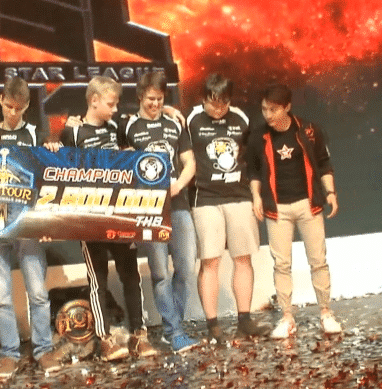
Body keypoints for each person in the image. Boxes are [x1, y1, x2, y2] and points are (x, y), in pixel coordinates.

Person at [60, 75, 159, 361]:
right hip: (90, 216)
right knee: (98, 281)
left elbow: (134, 152)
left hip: (120, 213)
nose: (115, 109)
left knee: (131, 275)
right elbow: (61, 172)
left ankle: (138, 335)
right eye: (110, 104)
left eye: (116, 104)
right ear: (94, 101)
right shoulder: (72, 133)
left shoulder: (118, 128)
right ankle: (105, 340)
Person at [0, 77, 63, 379]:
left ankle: (43, 349)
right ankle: (9, 353)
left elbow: (50, 176)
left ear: (27, 106)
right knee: (1, 295)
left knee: (38, 292)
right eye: (8, 107)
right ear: (1, 101)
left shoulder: (36, 134)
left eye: (19, 108)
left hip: (28, 223)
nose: (13, 113)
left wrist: (53, 149)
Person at [246, 84, 342, 339]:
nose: (268, 115)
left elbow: (324, 163)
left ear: (287, 107)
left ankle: (326, 313)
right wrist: (256, 196)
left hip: (308, 204)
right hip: (277, 208)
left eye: (273, 109)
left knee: (318, 260)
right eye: (264, 109)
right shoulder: (258, 136)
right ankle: (287, 317)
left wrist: (330, 193)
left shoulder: (308, 130)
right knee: (281, 264)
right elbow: (253, 171)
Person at [186, 73, 270, 343]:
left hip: (239, 196)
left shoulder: (241, 118)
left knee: (243, 258)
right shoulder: (192, 119)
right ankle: (213, 326)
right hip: (206, 198)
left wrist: (255, 195)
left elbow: (254, 158)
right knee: (210, 261)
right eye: (213, 102)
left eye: (223, 103)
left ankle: (244, 320)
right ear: (204, 98)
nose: (218, 108)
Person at [122, 72, 198, 353]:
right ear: (140, 96)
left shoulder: (175, 123)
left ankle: (174, 325)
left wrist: (179, 184)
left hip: (178, 204)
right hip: (149, 209)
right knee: (160, 273)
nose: (155, 104)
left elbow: (189, 162)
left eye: (160, 99)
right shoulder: (128, 126)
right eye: (150, 99)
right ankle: (173, 331)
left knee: (186, 267)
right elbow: (123, 166)